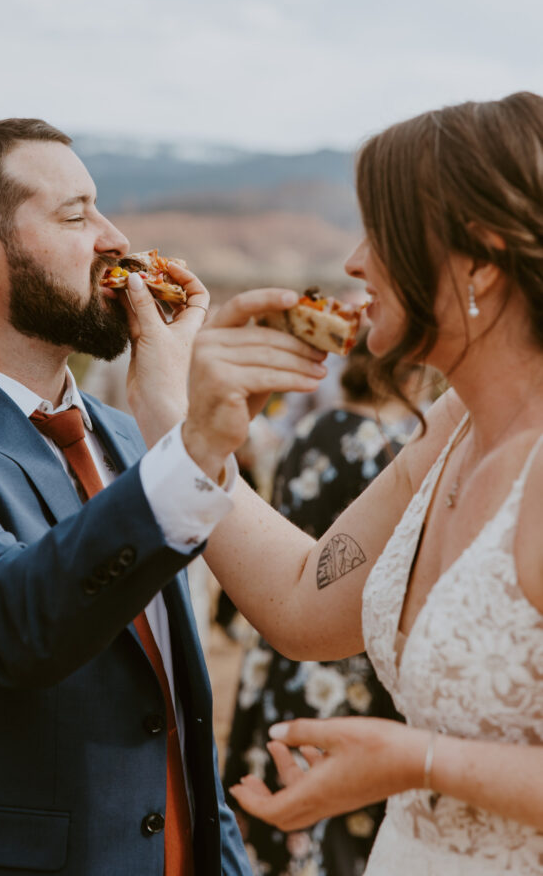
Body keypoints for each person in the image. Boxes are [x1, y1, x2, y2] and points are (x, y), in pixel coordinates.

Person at [0, 119, 290, 876]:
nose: (115, 239)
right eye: (76, 217)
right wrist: (196, 441)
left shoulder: (128, 434)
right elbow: (10, 622)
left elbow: (170, 710)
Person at [163, 92, 543, 874]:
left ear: (479, 257)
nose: (353, 262)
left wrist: (417, 762)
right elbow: (302, 604)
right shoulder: (451, 429)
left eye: (380, 229)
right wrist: (189, 425)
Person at [223, 334, 416, 876]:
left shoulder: (310, 427)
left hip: (279, 622)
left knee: (276, 763)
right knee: (333, 807)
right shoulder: (390, 446)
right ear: (405, 374)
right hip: (344, 646)